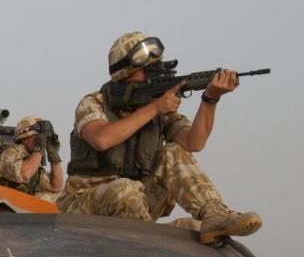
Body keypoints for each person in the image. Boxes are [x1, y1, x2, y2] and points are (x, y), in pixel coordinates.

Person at [58, 32, 262, 245]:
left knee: (174, 152)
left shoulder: (161, 109)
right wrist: (155, 108)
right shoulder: (94, 102)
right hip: (83, 206)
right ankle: (156, 237)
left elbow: (194, 142)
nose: (153, 75)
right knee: (124, 190)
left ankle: (214, 215)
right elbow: (101, 139)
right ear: (125, 72)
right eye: (146, 70)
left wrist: (210, 98)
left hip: (136, 205)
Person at [0, 116, 63, 204]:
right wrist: (39, 148)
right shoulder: (9, 153)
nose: (43, 142)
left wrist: (54, 155)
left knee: (58, 197)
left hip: (7, 209)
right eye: (39, 138)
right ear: (25, 137)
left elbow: (56, 187)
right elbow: (24, 175)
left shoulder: (31, 160)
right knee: (45, 199)